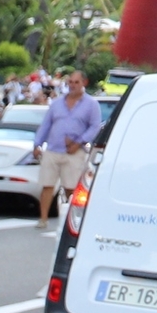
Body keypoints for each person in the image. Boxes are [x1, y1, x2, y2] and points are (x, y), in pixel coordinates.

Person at [33, 69, 102, 230]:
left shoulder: (91, 104)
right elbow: (46, 125)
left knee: (71, 187)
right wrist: (37, 144)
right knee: (47, 184)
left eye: (76, 82)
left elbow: (94, 127)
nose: (72, 85)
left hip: (74, 152)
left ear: (84, 83)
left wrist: (79, 142)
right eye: (70, 82)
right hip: (53, 149)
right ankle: (43, 219)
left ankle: (72, 221)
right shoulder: (57, 103)